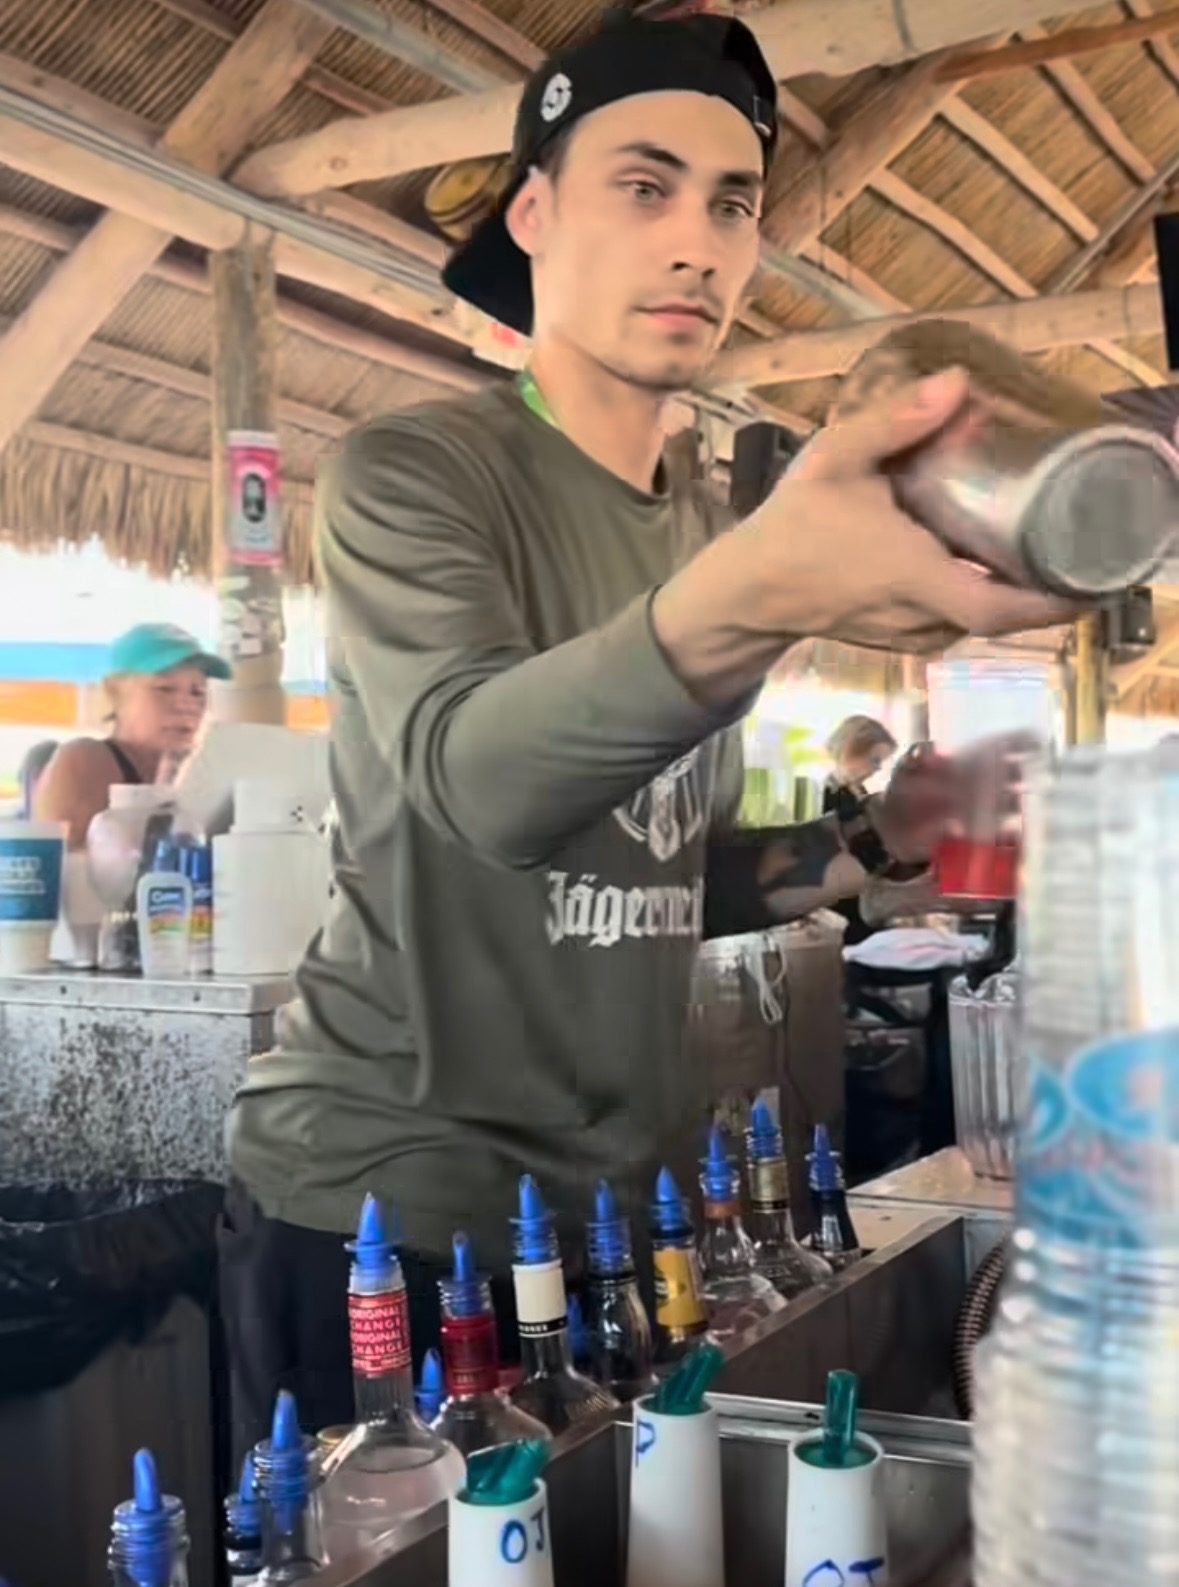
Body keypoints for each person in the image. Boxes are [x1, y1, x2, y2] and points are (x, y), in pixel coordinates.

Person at [222, 11, 1073, 1460]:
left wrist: (879, 837)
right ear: (533, 215)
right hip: (392, 1211)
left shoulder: (697, 532)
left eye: (731, 204)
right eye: (643, 185)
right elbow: (484, 786)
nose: (697, 241)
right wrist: (760, 589)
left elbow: (665, 872)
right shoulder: (418, 474)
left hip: (623, 1211)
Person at [33, 623, 229, 848]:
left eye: (198, 692)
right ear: (114, 692)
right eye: (165, 688)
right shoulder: (85, 759)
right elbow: (66, 861)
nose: (186, 705)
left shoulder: (190, 774)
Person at [822, 716, 898, 813]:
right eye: (875, 760)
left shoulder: (860, 792)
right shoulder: (821, 797)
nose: (878, 768)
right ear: (850, 753)